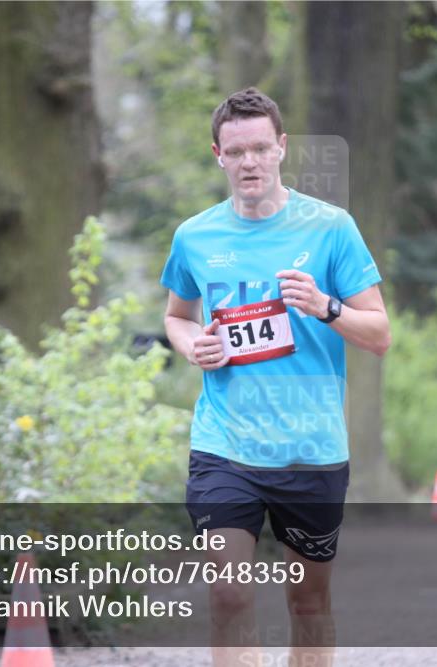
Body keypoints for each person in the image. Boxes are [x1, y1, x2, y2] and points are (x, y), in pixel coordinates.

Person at [160, 87, 391, 667]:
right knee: (229, 590)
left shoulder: (331, 228)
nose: (250, 163)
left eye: (261, 148)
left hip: (309, 449)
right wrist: (196, 347)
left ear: (282, 147)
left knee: (308, 601)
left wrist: (325, 307)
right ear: (218, 154)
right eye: (236, 152)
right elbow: (174, 317)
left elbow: (380, 335)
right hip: (225, 445)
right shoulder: (195, 236)